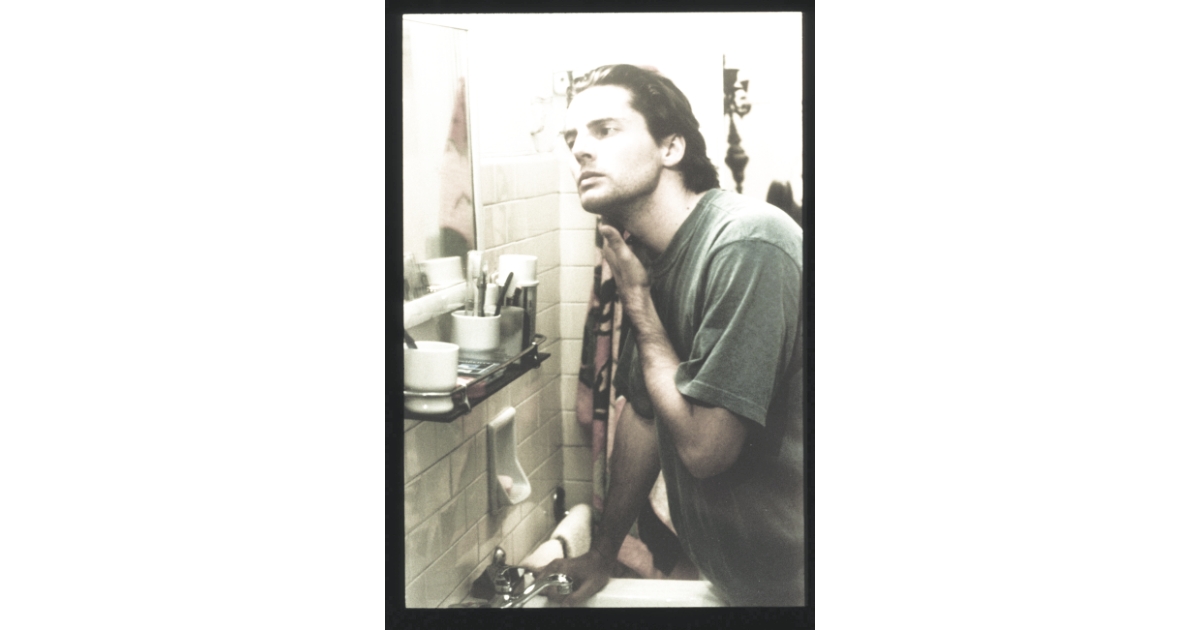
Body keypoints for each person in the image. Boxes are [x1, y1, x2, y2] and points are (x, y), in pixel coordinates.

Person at [537, 64, 805, 607]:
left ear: (671, 147)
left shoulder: (747, 242)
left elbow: (707, 451)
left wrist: (639, 303)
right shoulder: (653, 257)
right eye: (572, 138)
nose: (580, 150)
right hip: (741, 581)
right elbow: (644, 414)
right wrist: (603, 552)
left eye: (604, 129)